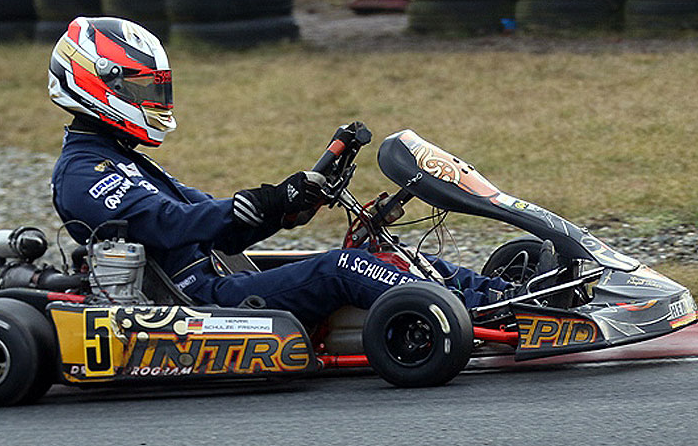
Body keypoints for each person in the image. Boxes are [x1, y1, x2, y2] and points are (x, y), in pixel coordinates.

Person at [49, 17, 525, 327]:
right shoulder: (83, 173)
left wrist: (286, 207)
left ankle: (504, 293)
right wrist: (261, 201)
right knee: (342, 267)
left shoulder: (126, 159)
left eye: (154, 87)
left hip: (215, 278)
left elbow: (220, 231)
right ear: (92, 81)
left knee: (372, 251)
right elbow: (170, 225)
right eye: (137, 87)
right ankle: (477, 314)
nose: (150, 99)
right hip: (197, 303)